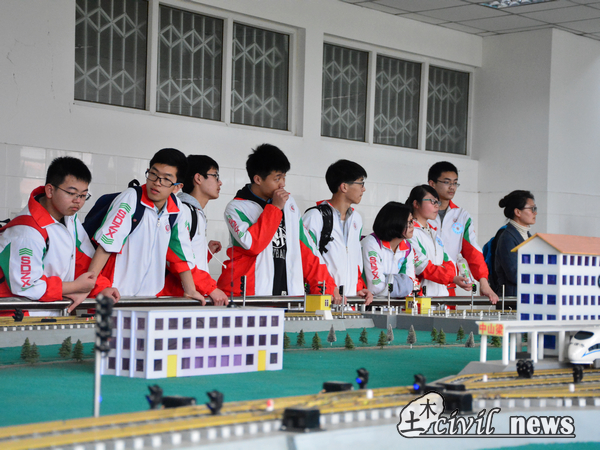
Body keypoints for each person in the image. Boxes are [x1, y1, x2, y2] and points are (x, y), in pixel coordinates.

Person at [88, 148, 225, 305]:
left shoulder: (176, 209)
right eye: (153, 174)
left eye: (166, 179)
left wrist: (191, 290)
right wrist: (95, 287)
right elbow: (107, 245)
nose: (157, 182)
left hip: (150, 299)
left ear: (177, 187)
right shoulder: (131, 198)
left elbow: (179, 255)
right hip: (116, 296)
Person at [217, 144, 340, 301]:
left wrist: (327, 286)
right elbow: (253, 245)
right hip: (248, 297)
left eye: (284, 177)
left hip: (288, 296)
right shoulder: (236, 208)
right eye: (277, 178)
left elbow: (307, 248)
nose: (282, 184)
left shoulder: (289, 204)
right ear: (258, 179)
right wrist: (275, 208)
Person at [0, 157, 119, 313]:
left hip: (55, 313)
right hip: (23, 317)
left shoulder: (69, 218)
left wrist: (100, 288)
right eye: (72, 193)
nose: (78, 201)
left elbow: (81, 258)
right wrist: (74, 287)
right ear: (50, 190)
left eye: (83, 195)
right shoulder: (26, 233)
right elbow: (26, 286)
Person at [303, 159, 373, 305]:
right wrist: (328, 288)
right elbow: (308, 260)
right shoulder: (315, 217)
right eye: (361, 183)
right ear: (344, 187)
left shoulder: (356, 219)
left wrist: (359, 288)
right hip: (323, 302)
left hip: (348, 304)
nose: (364, 189)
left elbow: (355, 261)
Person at [428, 161, 498, 304]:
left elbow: (472, 251)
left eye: (455, 183)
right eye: (447, 182)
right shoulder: (418, 213)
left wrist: (483, 282)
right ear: (432, 183)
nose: (452, 187)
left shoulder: (461, 215)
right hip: (422, 282)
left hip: (449, 283)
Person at [406, 185, 464, 297]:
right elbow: (422, 266)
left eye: (438, 202)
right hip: (420, 298)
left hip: (441, 297)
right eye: (432, 201)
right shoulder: (410, 232)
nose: (437, 206)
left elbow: (450, 263)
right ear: (416, 204)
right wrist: (449, 277)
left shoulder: (433, 233)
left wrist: (449, 275)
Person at [362, 202, 416, 298]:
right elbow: (376, 287)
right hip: (366, 302)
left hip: (390, 304)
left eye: (412, 221)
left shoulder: (408, 247)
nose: (412, 225)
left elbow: (410, 284)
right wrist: (399, 283)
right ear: (395, 222)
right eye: (409, 222)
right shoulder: (371, 243)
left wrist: (386, 280)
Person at [495, 190, 536, 296]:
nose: (535, 213)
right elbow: (514, 274)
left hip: (526, 296)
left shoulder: (528, 236)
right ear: (518, 212)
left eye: (535, 209)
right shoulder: (507, 238)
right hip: (513, 299)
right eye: (531, 209)